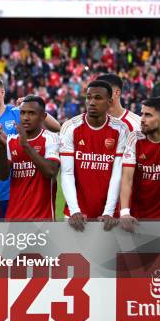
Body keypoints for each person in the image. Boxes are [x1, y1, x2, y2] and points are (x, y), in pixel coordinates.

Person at [0, 74, 61, 217]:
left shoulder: (17, 112)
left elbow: (56, 127)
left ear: (2, 93)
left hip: (13, 190)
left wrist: (36, 106)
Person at [60, 80, 129, 231]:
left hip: (108, 216)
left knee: (109, 255)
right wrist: (74, 210)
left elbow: (117, 174)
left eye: (98, 98)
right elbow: (67, 172)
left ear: (110, 102)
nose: (91, 102)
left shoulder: (121, 129)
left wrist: (108, 212)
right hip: (75, 215)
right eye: (88, 97)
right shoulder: (70, 127)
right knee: (72, 255)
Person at [0, 96, 60, 221]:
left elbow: (50, 172)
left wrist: (25, 145)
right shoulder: (12, 140)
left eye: (31, 113)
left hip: (42, 219)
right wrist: (2, 147)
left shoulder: (51, 138)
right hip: (14, 217)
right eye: (23, 113)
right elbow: (2, 175)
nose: (25, 117)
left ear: (43, 116)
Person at [120, 97, 160, 232]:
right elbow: (127, 179)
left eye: (148, 115)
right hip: (138, 217)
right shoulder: (134, 138)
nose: (142, 119)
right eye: (142, 114)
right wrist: (125, 212)